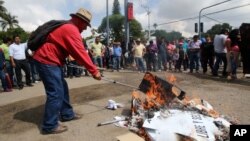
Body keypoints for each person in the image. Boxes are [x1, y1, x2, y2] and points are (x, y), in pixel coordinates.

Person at [32, 8, 101, 134]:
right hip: (47, 60)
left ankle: (67, 114)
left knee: (62, 88)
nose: (85, 28)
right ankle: (49, 125)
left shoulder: (68, 27)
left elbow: (75, 52)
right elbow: (81, 53)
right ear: (80, 21)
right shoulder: (71, 30)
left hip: (50, 60)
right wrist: (94, 71)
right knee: (56, 92)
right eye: (86, 25)